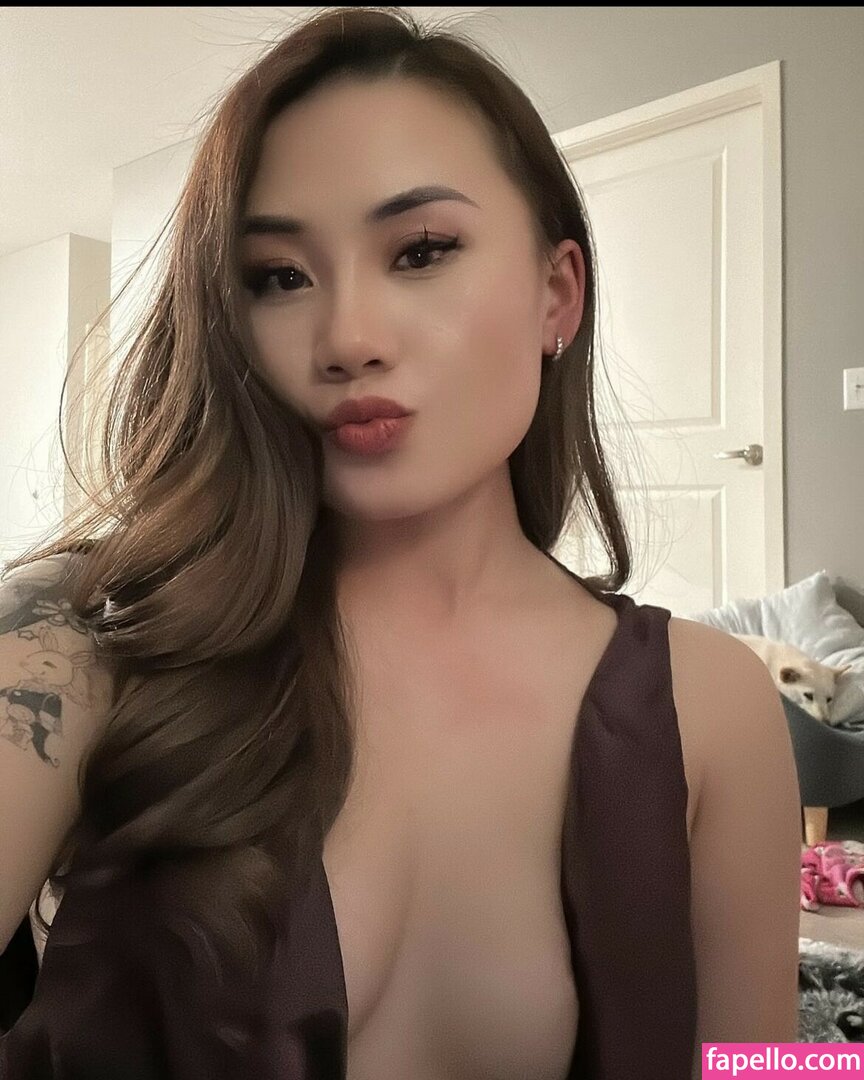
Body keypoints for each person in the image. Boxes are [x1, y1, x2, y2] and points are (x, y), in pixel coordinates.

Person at [0, 6, 802, 1078]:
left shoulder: (713, 702)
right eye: (278, 276)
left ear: (556, 294)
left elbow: (767, 1064)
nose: (347, 338)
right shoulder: (82, 641)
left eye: (421, 251)